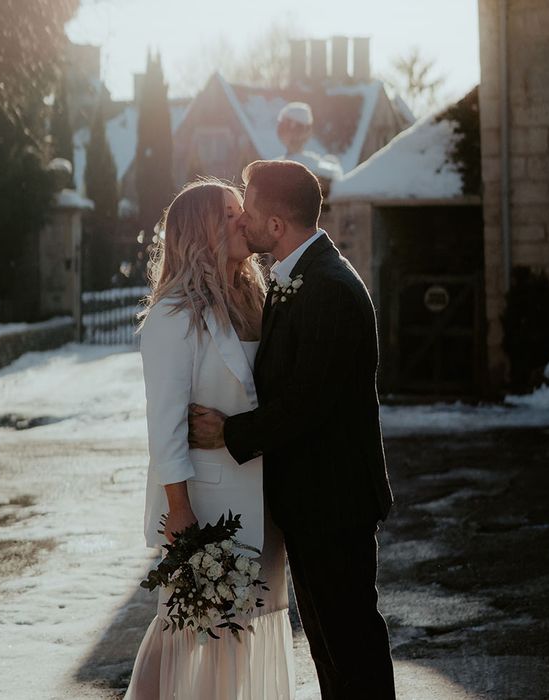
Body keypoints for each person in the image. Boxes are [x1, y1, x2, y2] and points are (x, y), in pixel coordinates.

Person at [189, 160, 395, 699]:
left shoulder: (327, 288)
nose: (244, 223)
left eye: (250, 212)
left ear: (276, 226)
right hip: (313, 501)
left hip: (336, 501)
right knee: (329, 647)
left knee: (351, 646)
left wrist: (230, 434)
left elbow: (306, 403)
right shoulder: (298, 278)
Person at [125, 179, 295, 700]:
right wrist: (178, 509)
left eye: (240, 210)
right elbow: (166, 425)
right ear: (199, 229)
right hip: (205, 505)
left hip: (262, 499)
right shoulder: (173, 315)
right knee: (192, 629)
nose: (242, 220)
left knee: (241, 634)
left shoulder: (257, 299)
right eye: (227, 214)